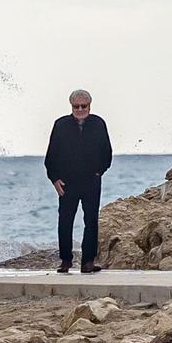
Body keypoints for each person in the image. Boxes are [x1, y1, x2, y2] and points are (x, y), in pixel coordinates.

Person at [44, 89, 113, 273]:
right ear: (71, 106)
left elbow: (107, 152)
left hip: (91, 181)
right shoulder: (61, 125)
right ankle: (66, 261)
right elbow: (51, 155)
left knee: (91, 221)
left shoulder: (98, 124)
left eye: (84, 106)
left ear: (90, 106)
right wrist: (54, 179)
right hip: (67, 183)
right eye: (77, 106)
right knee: (65, 221)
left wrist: (100, 171)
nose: (80, 109)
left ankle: (88, 262)